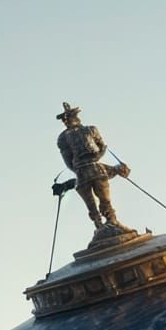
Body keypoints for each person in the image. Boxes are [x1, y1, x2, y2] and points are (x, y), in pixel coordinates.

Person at [52, 102, 133, 238]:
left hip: (94, 168)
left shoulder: (91, 130)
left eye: (69, 117)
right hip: (83, 170)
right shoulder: (63, 138)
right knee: (92, 204)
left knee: (104, 200)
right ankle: (99, 225)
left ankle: (111, 221)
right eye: (65, 119)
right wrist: (81, 166)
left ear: (75, 116)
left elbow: (101, 146)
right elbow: (68, 160)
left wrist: (94, 159)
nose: (67, 121)